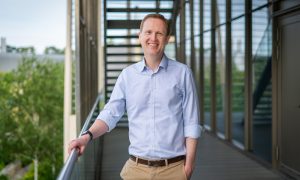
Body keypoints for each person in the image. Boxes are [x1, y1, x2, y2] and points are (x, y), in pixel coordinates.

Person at [68, 13, 201, 180]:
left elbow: (191, 123)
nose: (153, 38)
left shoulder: (182, 73)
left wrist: (188, 167)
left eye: (159, 33)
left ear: (167, 39)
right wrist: (86, 137)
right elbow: (110, 114)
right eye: (148, 32)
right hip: (136, 171)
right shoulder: (127, 76)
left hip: (174, 170)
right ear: (140, 36)